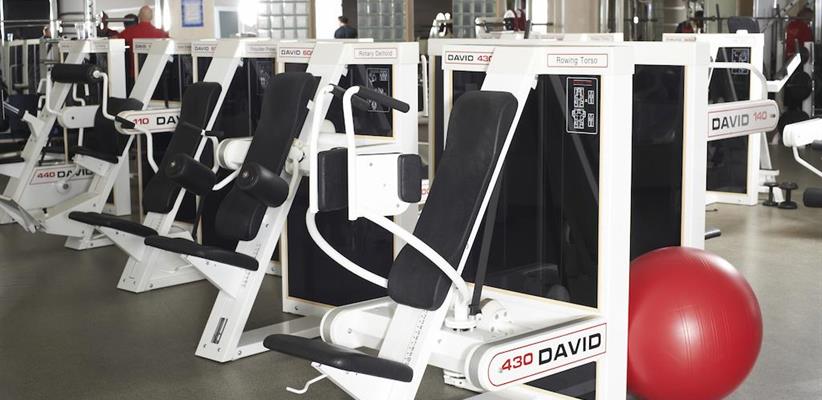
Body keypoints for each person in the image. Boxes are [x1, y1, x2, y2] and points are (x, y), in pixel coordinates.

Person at [116, 6, 169, 90]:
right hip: (156, 75)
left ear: (139, 16)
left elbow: (114, 41)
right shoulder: (161, 33)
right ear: (152, 17)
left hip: (136, 74)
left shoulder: (130, 31)